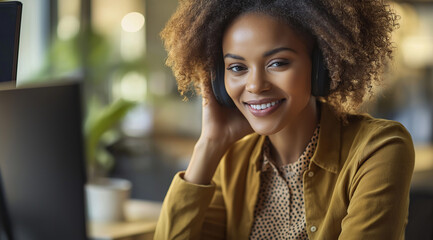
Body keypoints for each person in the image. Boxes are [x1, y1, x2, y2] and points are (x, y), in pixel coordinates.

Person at [154, 0, 414, 239]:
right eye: (237, 68)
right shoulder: (232, 159)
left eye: (277, 63)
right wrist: (209, 144)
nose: (255, 86)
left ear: (320, 65)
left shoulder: (378, 148)